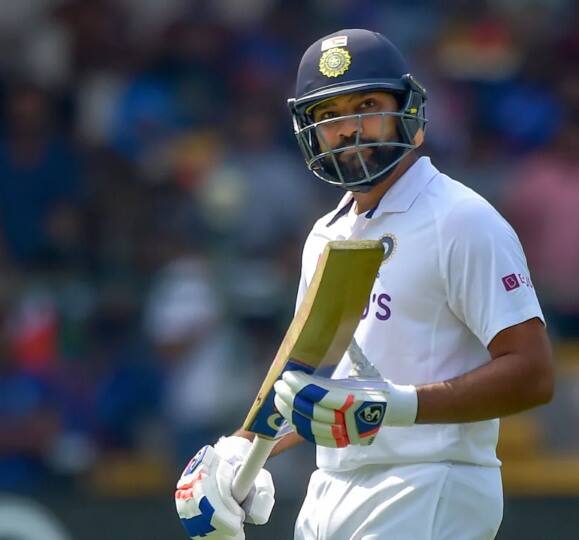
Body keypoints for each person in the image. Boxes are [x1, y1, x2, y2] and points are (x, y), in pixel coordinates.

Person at [175, 29, 554, 540]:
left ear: (407, 111)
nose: (349, 130)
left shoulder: (461, 220)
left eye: (367, 105)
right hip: (330, 485)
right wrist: (242, 448)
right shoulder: (326, 234)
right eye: (329, 116)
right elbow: (317, 382)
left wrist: (393, 406)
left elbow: (533, 374)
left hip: (430, 481)